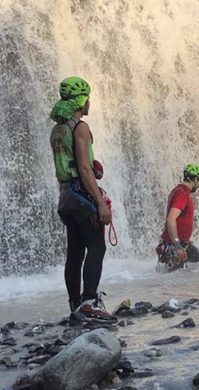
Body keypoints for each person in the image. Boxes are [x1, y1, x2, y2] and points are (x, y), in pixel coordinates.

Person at [49, 76, 116, 324]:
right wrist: (99, 202)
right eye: (87, 98)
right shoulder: (81, 128)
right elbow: (85, 170)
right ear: (81, 100)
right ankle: (90, 303)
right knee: (97, 248)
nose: (89, 103)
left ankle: (75, 305)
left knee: (75, 253)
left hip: (66, 196)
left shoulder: (58, 130)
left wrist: (88, 168)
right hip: (82, 195)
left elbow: (71, 165)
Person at [156, 163, 199, 271]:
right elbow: (171, 218)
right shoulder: (183, 194)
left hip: (181, 244)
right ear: (195, 180)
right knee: (175, 283)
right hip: (175, 247)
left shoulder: (177, 190)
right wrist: (177, 244)